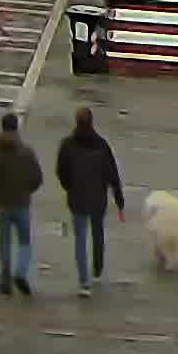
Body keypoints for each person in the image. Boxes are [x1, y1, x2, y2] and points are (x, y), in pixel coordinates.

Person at [54, 107, 125, 295]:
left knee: (80, 238)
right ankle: (97, 269)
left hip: (77, 198)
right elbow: (112, 174)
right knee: (98, 233)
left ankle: (84, 281)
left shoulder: (68, 145)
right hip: (97, 198)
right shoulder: (102, 145)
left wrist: (68, 187)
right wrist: (119, 201)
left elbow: (61, 171)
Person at [0, 113, 42, 295]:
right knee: (24, 242)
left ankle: (4, 280)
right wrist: (27, 189)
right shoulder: (26, 151)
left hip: (3, 202)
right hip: (21, 202)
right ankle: (20, 271)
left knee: (4, 242)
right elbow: (37, 177)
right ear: (16, 127)